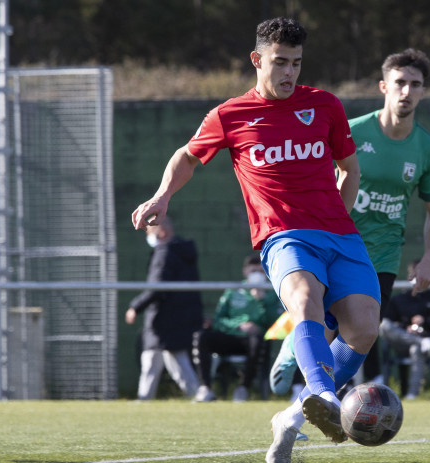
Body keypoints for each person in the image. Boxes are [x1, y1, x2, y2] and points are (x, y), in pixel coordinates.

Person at [129, 17, 380, 463]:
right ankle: (325, 395)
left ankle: (295, 415)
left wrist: (340, 215)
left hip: (340, 234)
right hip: (283, 235)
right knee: (305, 299)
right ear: (257, 59)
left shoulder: (324, 105)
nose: (289, 73)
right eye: (280, 62)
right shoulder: (230, 114)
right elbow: (187, 156)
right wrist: (162, 195)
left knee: (363, 326)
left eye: (297, 64)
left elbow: (349, 169)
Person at [269, 48, 430, 394]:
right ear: (384, 86)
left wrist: (429, 258)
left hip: (381, 257)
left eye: (415, 84)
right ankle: (299, 372)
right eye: (400, 83)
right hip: (336, 245)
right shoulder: (353, 131)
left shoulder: (428, 148)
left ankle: (304, 406)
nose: (407, 91)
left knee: (357, 335)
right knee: (326, 326)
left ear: (423, 91)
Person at [125, 217, 203, 400]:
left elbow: (157, 287)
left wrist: (135, 307)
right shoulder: (183, 252)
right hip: (180, 317)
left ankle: (144, 400)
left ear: (161, 232)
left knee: (154, 358)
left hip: (163, 319)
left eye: (150, 232)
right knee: (172, 358)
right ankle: (198, 395)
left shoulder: (164, 252)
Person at [192, 255, 283, 403]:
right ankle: (205, 388)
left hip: (254, 341)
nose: (257, 274)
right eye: (253, 270)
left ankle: (243, 388)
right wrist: (238, 325)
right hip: (230, 337)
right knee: (202, 336)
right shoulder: (233, 291)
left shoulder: (271, 293)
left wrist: (262, 301)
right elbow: (218, 320)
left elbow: (273, 323)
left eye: (261, 271)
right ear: (245, 271)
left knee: (257, 338)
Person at [379, 259, 430, 399]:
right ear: (409, 276)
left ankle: (412, 394)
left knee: (416, 349)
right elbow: (389, 321)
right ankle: (421, 342)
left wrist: (427, 321)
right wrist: (406, 327)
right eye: (415, 274)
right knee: (384, 325)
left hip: (428, 344)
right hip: (402, 342)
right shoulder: (399, 299)